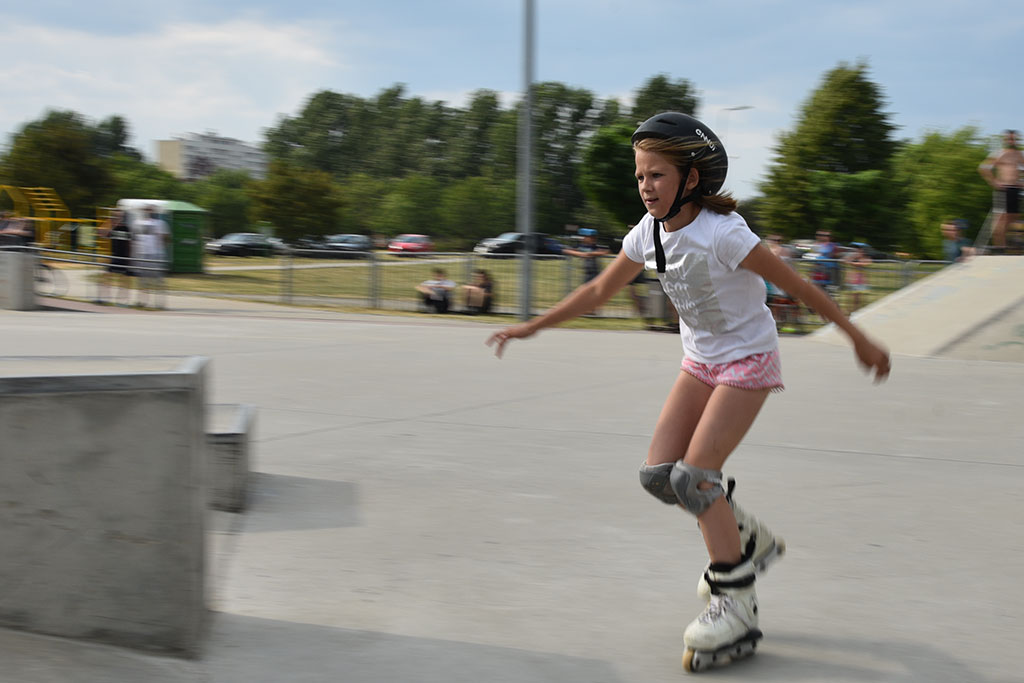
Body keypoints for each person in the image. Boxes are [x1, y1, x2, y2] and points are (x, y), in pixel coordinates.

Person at [486, 112, 890, 673]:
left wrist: (858, 339)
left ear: (691, 179)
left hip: (747, 359)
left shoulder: (725, 233)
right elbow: (601, 290)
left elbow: (797, 286)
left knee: (695, 480)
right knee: (659, 476)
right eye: (640, 177)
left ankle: (736, 599)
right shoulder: (645, 234)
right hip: (700, 362)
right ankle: (747, 537)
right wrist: (532, 326)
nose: (645, 186)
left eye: (656, 175)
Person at [978, 129, 1024, 250]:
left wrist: (1022, 182)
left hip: (1015, 189)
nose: (1011, 141)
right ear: (1005, 140)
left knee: (1014, 217)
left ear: (1017, 140)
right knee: (1000, 220)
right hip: (1003, 189)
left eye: (1014, 139)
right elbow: (983, 168)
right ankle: (999, 248)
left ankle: (1012, 246)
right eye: (1009, 138)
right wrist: (994, 182)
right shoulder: (999, 153)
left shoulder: (1020, 154)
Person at [132, 205, 170, 308]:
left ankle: (160, 303)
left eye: (150, 210)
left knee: (158, 279)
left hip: (156, 254)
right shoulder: (137, 223)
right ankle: (142, 301)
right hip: (142, 254)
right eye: (146, 209)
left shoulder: (161, 223)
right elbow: (135, 239)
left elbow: (166, 239)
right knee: (142, 280)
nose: (148, 211)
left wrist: (161, 250)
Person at [97, 209, 133, 304]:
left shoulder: (126, 228)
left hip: (124, 257)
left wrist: (129, 259)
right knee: (106, 276)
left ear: (123, 217)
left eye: (119, 216)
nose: (118, 218)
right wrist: (109, 222)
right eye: (115, 216)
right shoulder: (112, 228)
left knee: (123, 280)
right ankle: (104, 298)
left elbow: (130, 244)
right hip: (114, 256)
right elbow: (100, 232)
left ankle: (123, 301)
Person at [843, 244, 872, 313]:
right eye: (857, 251)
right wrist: (853, 257)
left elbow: (867, 263)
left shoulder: (865, 258)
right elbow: (845, 261)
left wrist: (853, 263)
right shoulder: (853, 257)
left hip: (861, 280)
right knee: (850, 297)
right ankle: (850, 310)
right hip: (852, 279)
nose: (859, 253)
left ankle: (857, 310)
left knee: (859, 298)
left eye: (860, 251)